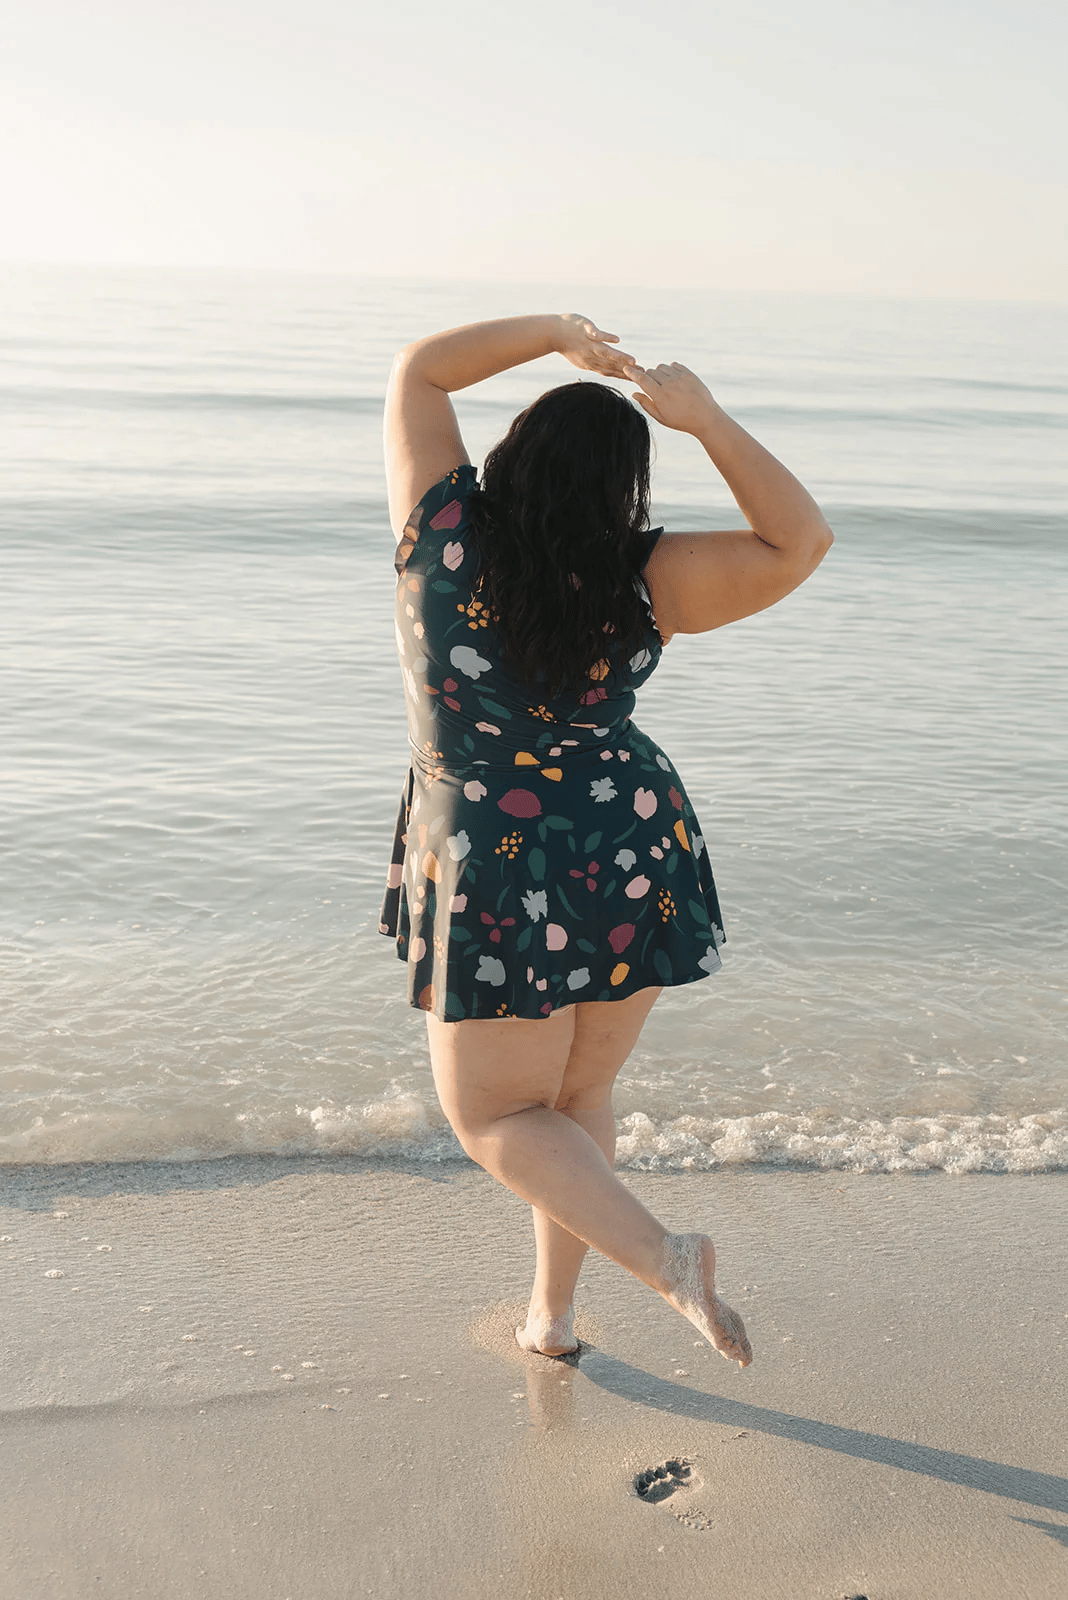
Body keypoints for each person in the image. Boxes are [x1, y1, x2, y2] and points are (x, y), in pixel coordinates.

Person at [379, 313, 833, 1367]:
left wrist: (557, 335)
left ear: (510, 458)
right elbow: (798, 540)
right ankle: (552, 1317)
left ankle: (665, 1259)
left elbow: (420, 369)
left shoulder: (441, 534)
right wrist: (705, 419)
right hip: (629, 840)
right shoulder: (648, 578)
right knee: (577, 1098)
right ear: (623, 494)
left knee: (494, 1115)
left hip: (492, 849)